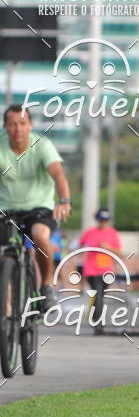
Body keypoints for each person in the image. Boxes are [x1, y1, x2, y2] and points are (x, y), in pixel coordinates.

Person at [0, 105, 71, 308]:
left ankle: (46, 286)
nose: (18, 129)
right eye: (12, 124)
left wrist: (64, 200)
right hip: (6, 209)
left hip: (38, 207)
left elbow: (58, 174)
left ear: (30, 125)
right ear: (5, 126)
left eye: (22, 123)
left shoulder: (42, 145)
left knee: (40, 236)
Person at [79, 208, 123, 335]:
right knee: (98, 294)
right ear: (97, 220)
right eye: (101, 220)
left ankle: (95, 316)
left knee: (100, 296)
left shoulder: (112, 233)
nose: (103, 222)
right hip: (92, 270)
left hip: (106, 270)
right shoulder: (90, 233)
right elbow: (79, 245)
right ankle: (98, 325)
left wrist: (107, 248)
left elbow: (119, 252)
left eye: (105, 220)